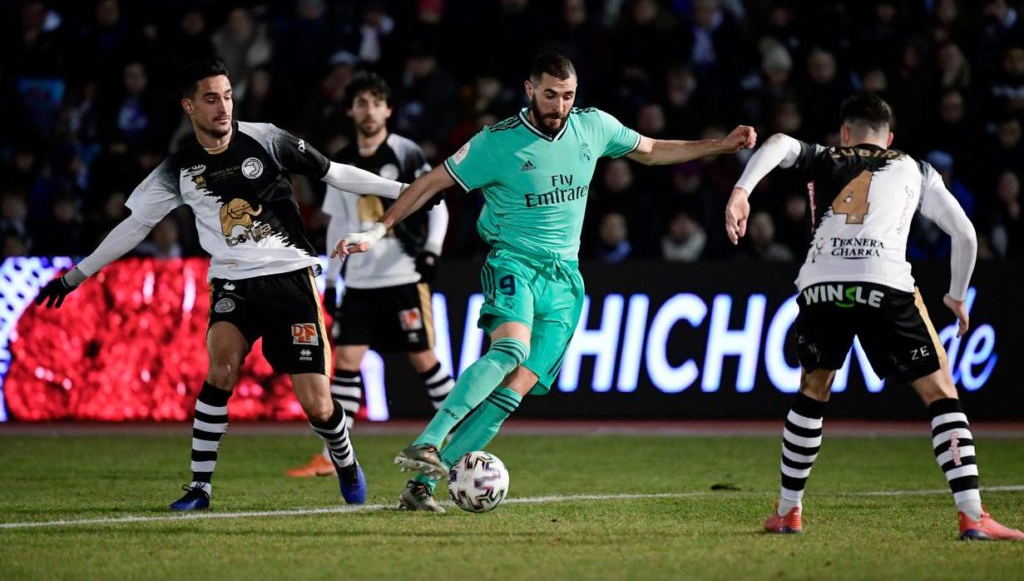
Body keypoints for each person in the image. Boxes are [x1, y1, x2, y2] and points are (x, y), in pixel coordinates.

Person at [334, 51, 756, 512]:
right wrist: (378, 229)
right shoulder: (497, 142)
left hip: (565, 282)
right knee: (509, 349)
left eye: (569, 96)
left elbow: (652, 150)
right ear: (530, 90)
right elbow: (432, 183)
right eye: (551, 94)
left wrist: (720, 145)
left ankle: (420, 487)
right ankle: (429, 440)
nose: (560, 105)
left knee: (511, 392)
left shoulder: (593, 126)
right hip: (514, 263)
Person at [34, 59, 411, 511]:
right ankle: (200, 488)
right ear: (189, 106)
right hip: (233, 282)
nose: (223, 107)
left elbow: (334, 172)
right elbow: (135, 227)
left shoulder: (267, 138)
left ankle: (345, 461)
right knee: (220, 370)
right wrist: (76, 276)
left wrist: (408, 189)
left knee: (317, 405)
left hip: (290, 277)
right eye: (211, 98)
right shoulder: (180, 167)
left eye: (228, 96)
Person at [725, 92, 1023, 541]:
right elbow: (964, 234)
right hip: (884, 282)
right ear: (889, 137)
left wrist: (741, 191)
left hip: (820, 284)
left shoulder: (823, 156)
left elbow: (781, 142)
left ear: (845, 133)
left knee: (813, 389)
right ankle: (972, 515)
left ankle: (788, 511)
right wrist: (956, 296)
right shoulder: (915, 168)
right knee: (941, 393)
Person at [287, 72, 454, 477]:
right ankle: (331, 457)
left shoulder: (407, 152)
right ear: (350, 111)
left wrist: (431, 252)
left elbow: (439, 204)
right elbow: (337, 223)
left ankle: (463, 439)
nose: (369, 110)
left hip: (401, 275)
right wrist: (329, 279)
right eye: (361, 103)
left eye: (376, 102)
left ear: (388, 109)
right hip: (359, 282)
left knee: (424, 359)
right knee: (345, 361)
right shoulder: (340, 160)